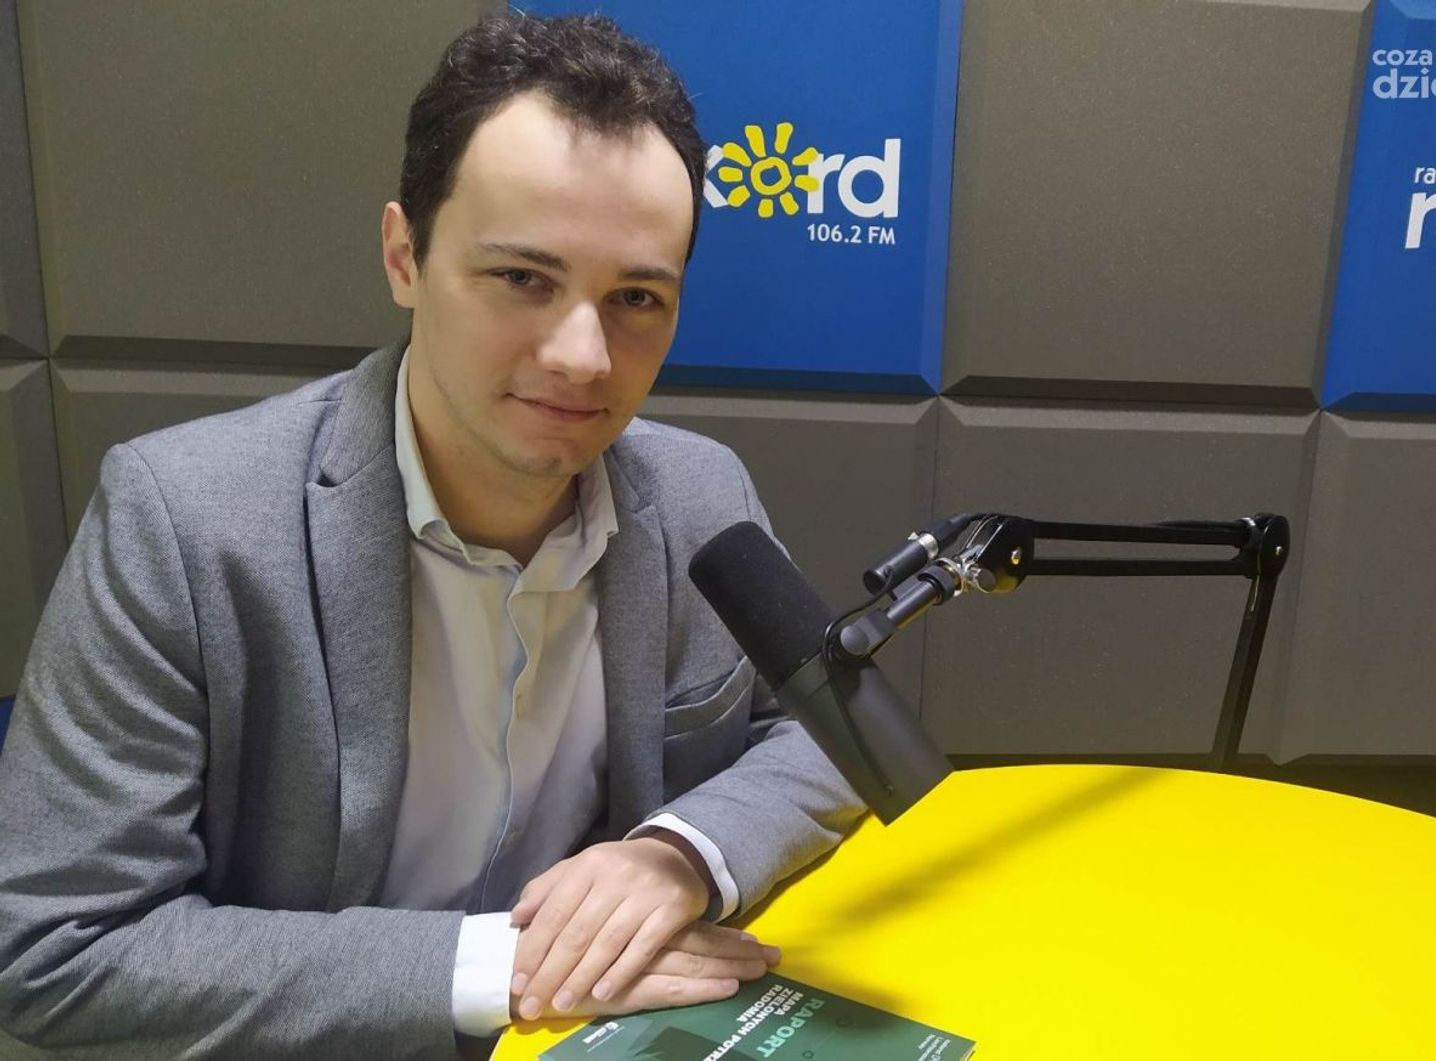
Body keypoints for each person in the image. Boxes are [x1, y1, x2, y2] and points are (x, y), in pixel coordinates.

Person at [0, 13, 864, 1059]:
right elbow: (56, 948)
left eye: (636, 296)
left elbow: (838, 733)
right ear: (404, 256)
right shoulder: (182, 519)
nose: (584, 355)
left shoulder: (700, 490)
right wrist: (501, 967)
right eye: (524, 278)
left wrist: (682, 852)